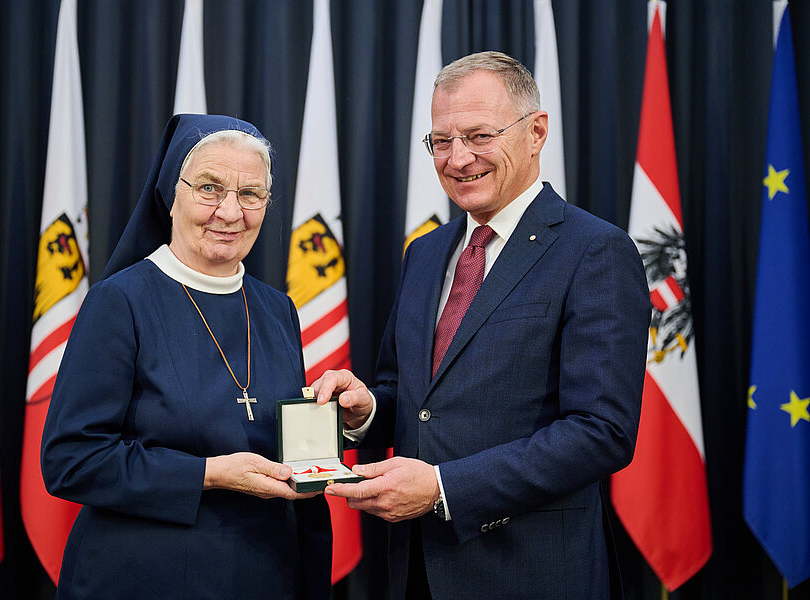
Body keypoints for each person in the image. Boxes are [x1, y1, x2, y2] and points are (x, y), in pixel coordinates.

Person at [314, 52, 651, 599]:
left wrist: (445, 488)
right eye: (440, 141)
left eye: (478, 135)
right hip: (417, 572)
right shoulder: (425, 253)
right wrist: (367, 410)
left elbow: (601, 432)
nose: (458, 158)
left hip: (532, 576)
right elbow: (413, 397)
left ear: (536, 132)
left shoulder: (595, 251)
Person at [41, 114, 331, 600]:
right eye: (210, 188)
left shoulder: (277, 308)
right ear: (170, 194)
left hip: (264, 576)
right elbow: (72, 459)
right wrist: (209, 474)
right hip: (146, 579)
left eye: (251, 194)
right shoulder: (121, 302)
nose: (230, 212)